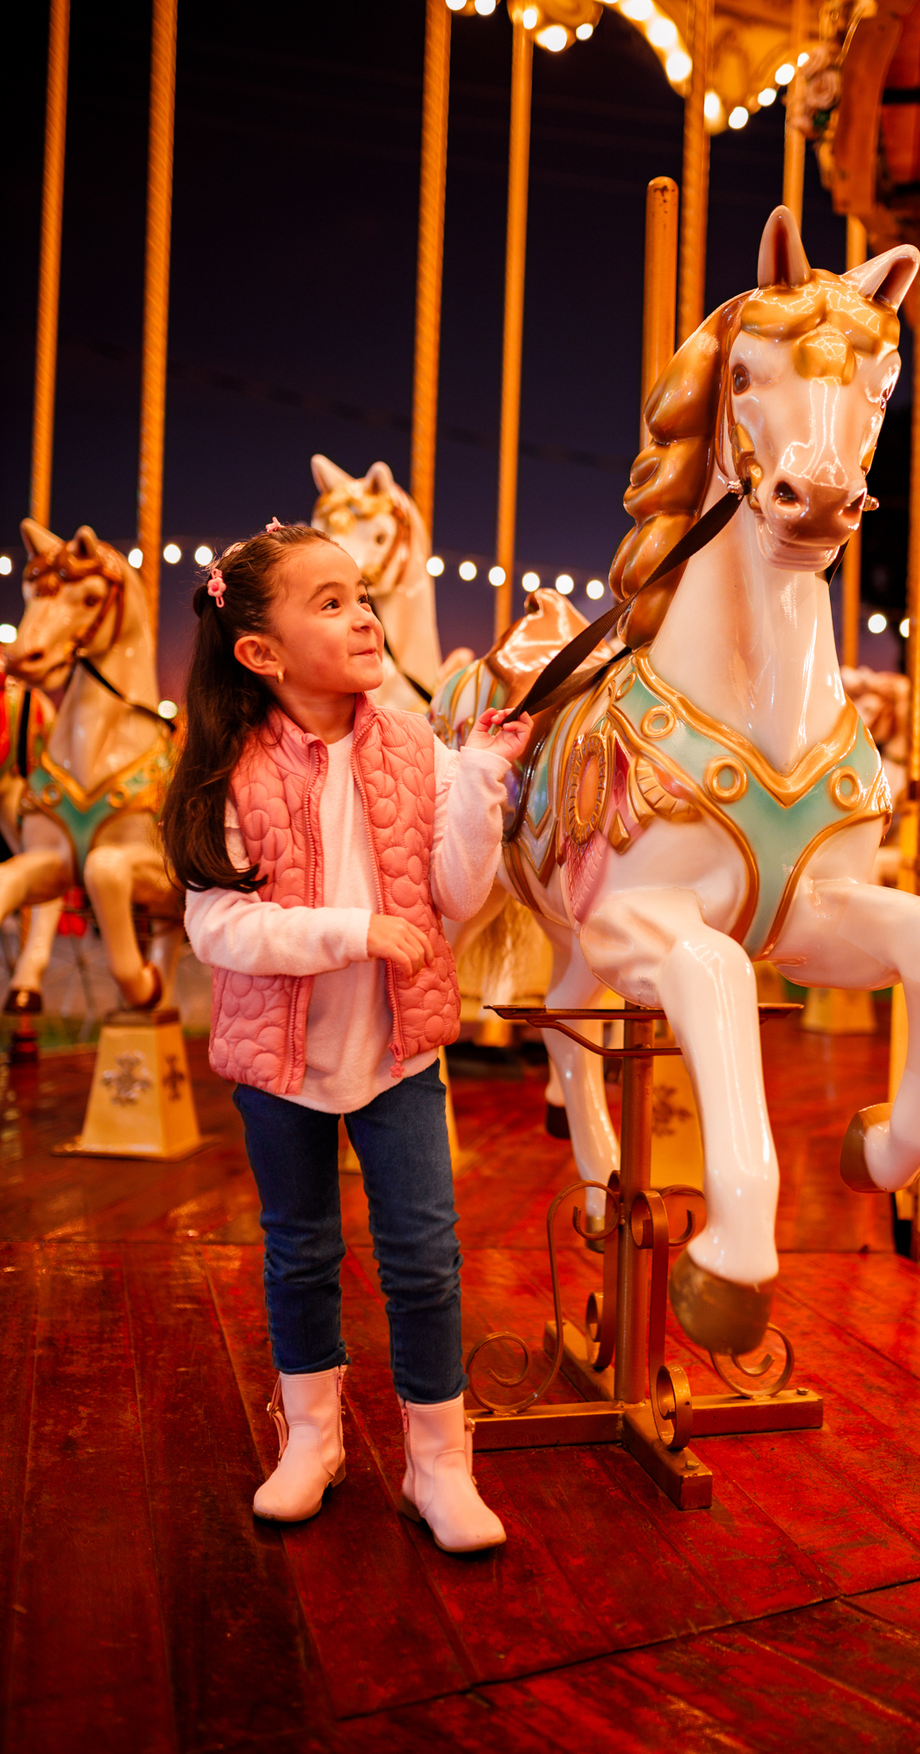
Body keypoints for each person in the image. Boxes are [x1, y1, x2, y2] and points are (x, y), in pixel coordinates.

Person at [160, 520, 531, 1554]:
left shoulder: (413, 745)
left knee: (424, 1256)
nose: (364, 616)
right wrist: (352, 931)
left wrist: (481, 780)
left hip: (399, 1051)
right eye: (329, 603)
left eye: (361, 594)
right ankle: (312, 1439)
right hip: (278, 1062)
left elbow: (456, 893)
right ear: (260, 652)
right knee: (301, 1250)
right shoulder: (229, 767)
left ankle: (439, 1463)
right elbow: (218, 927)